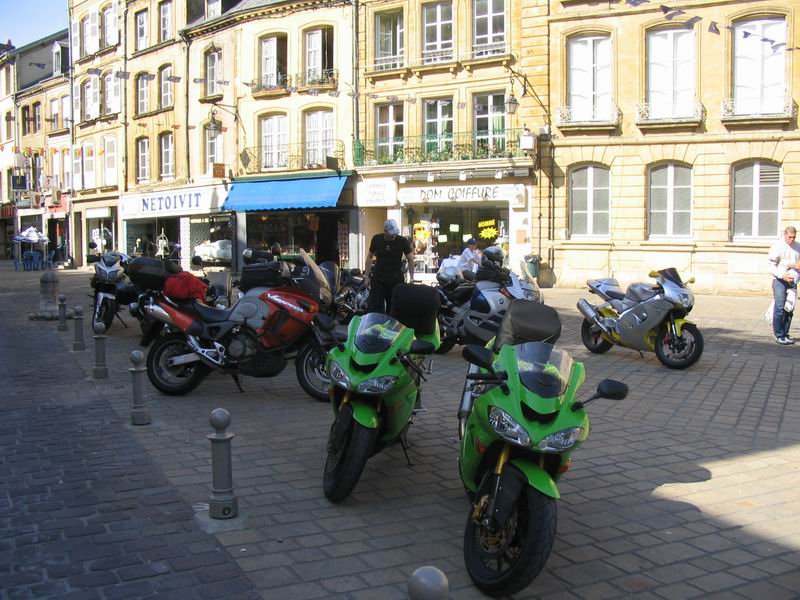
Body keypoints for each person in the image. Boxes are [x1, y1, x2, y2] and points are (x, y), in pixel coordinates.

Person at [364, 219, 414, 315]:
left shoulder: (402, 241)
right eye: (391, 234)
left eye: (395, 234)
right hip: (379, 278)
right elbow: (369, 257)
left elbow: (410, 259)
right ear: (385, 231)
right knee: (376, 307)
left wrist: (411, 278)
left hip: (395, 279)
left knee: (394, 308)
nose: (393, 236)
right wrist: (366, 276)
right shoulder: (377, 239)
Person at [767, 226, 800, 345]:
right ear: (784, 234)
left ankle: (785, 333)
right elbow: (771, 265)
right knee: (779, 307)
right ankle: (779, 335)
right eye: (789, 237)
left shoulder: (798, 246)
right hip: (779, 280)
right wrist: (783, 275)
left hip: (793, 281)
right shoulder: (777, 246)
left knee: (789, 308)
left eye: (794, 237)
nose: (792, 239)